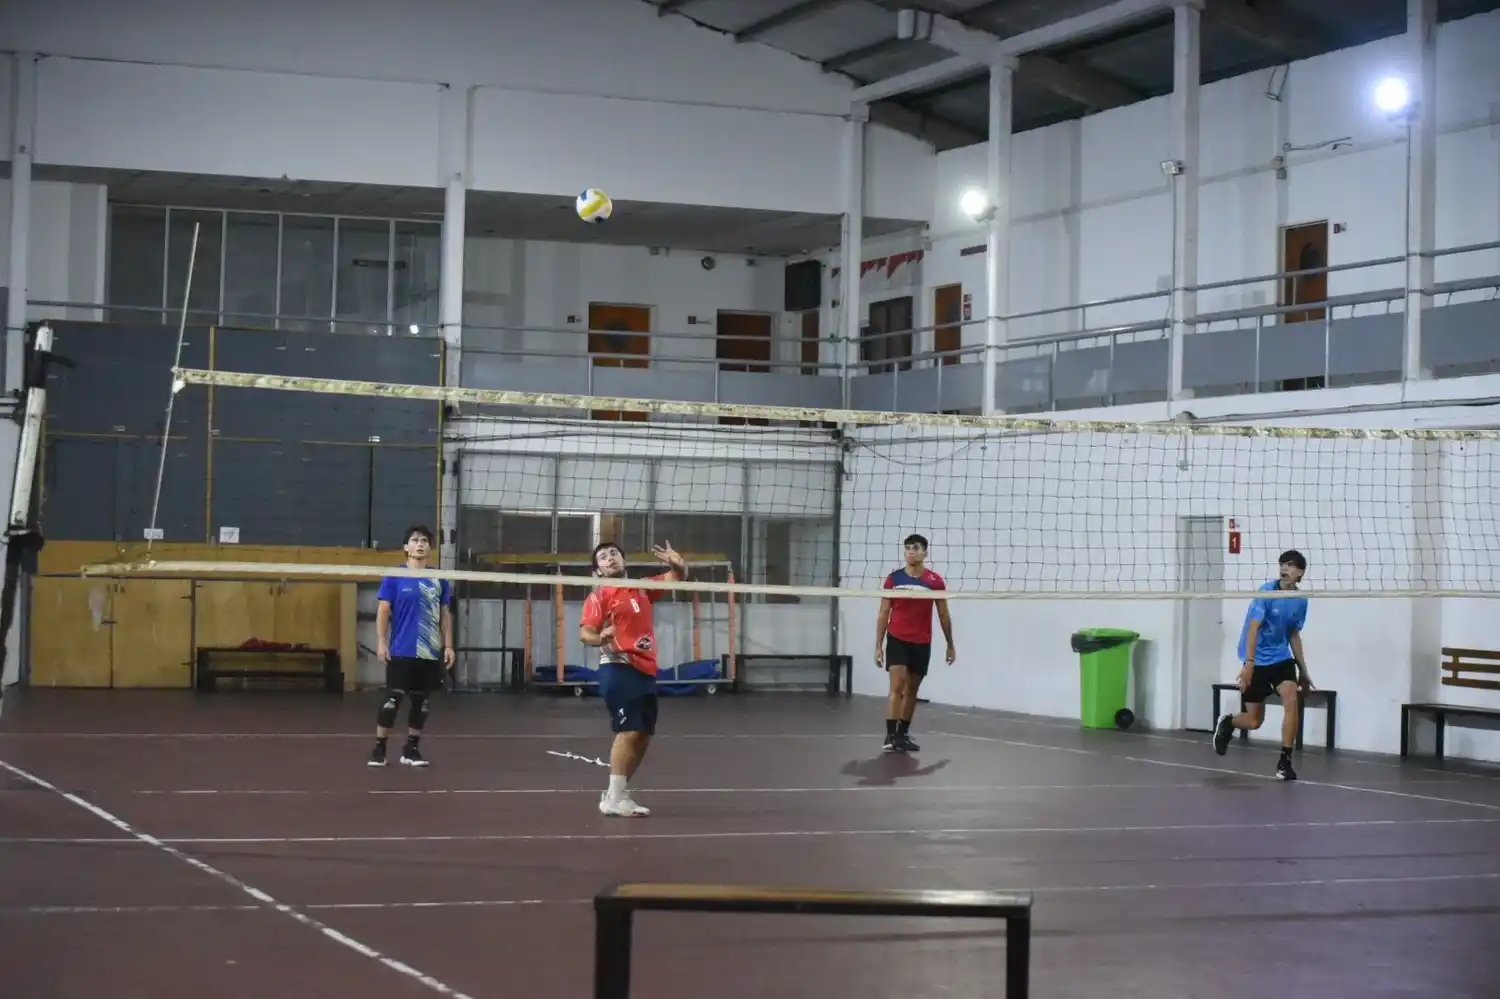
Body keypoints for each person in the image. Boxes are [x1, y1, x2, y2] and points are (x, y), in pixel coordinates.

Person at [579, 539, 689, 817]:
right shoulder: (599, 596)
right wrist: (600, 637)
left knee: (642, 734)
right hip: (618, 666)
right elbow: (586, 632)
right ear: (598, 570)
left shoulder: (642, 587)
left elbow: (676, 577)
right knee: (628, 731)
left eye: (614, 553)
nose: (610, 557)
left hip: (645, 669)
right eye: (603, 557)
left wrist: (678, 565)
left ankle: (618, 794)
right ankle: (613, 799)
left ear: (623, 560)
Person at [1212, 549, 1313, 781]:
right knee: (1254, 721)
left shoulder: (1301, 601)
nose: (1284, 568)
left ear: (1300, 572)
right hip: (1256, 658)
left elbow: (1293, 634)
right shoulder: (1266, 592)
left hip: (1281, 657)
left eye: (1290, 565)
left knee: (1291, 697)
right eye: (1282, 564)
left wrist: (1304, 671)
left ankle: (1285, 762)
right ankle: (1228, 722)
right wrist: (1249, 664)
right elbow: (1253, 629)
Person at [368, 525, 454, 768]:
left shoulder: (439, 579)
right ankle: (379, 749)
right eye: (415, 540)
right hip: (401, 649)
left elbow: (445, 614)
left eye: (424, 540)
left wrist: (448, 645)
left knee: (421, 703)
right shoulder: (395, 576)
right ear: (406, 547)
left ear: (430, 547)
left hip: (429, 651)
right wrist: (381, 642)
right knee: (391, 701)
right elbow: (383, 611)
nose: (420, 544)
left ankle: (411, 750)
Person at [874, 533, 954, 753]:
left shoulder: (934, 582)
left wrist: (950, 644)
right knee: (897, 687)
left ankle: (902, 735)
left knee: (911, 690)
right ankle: (890, 736)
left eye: (916, 548)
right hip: (897, 638)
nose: (911, 551)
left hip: (921, 641)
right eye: (908, 547)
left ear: (925, 553)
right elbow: (883, 612)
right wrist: (878, 645)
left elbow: (943, 614)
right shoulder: (894, 579)